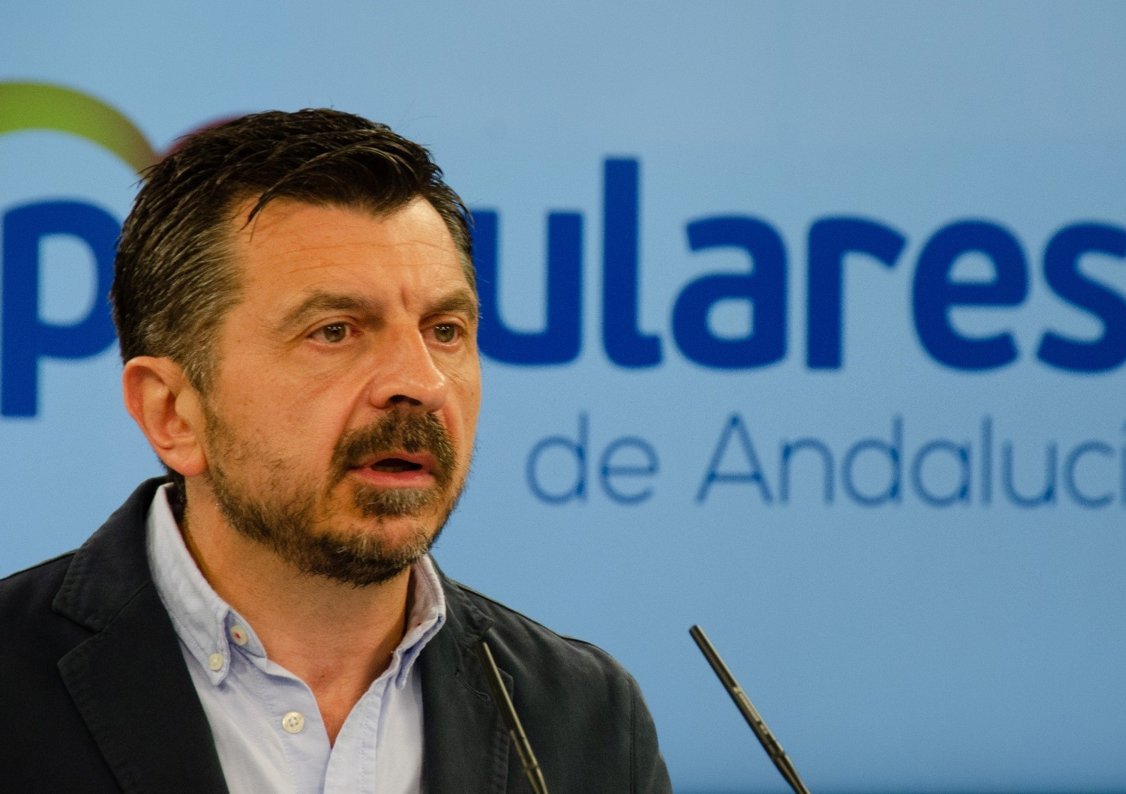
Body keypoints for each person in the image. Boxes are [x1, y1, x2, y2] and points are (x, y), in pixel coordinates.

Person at [0, 109, 671, 792]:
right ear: (171, 412)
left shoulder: (585, 715)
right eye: (335, 331)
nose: (421, 384)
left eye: (444, 330)